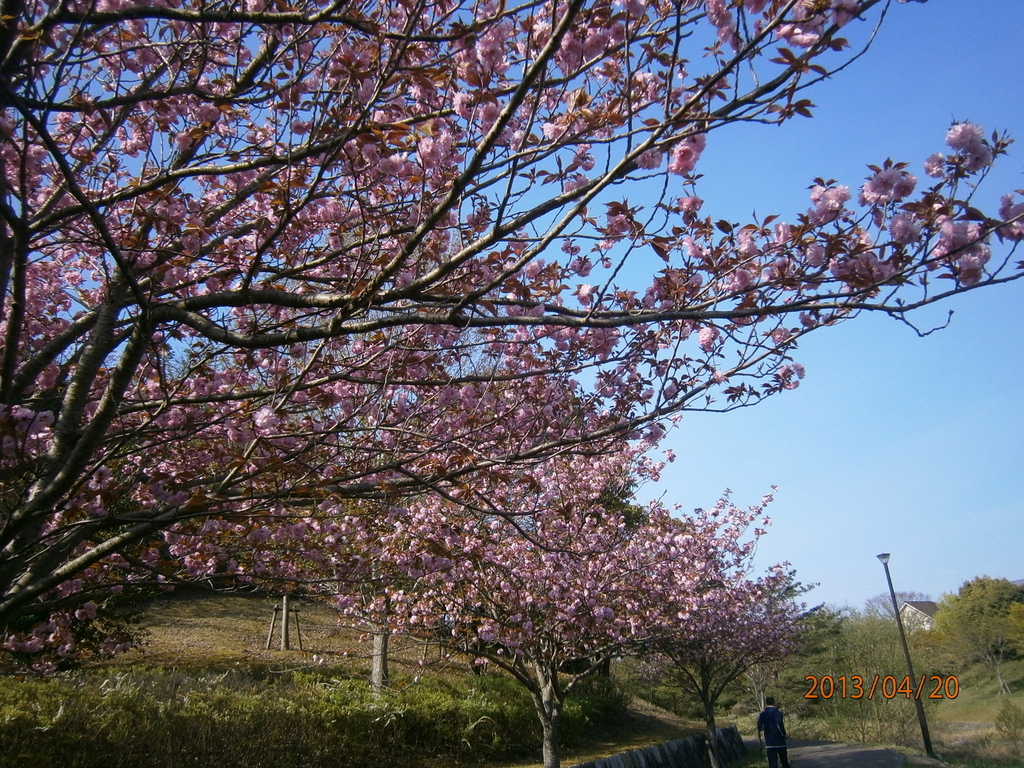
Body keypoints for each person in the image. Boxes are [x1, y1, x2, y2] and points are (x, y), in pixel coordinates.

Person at [757, 696, 791, 768]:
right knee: (784, 761)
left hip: (769, 741)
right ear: (774, 702)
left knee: (772, 763)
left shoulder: (763, 714)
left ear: (766, 703)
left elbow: (760, 727)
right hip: (779, 740)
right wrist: (784, 734)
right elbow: (779, 724)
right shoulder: (777, 712)